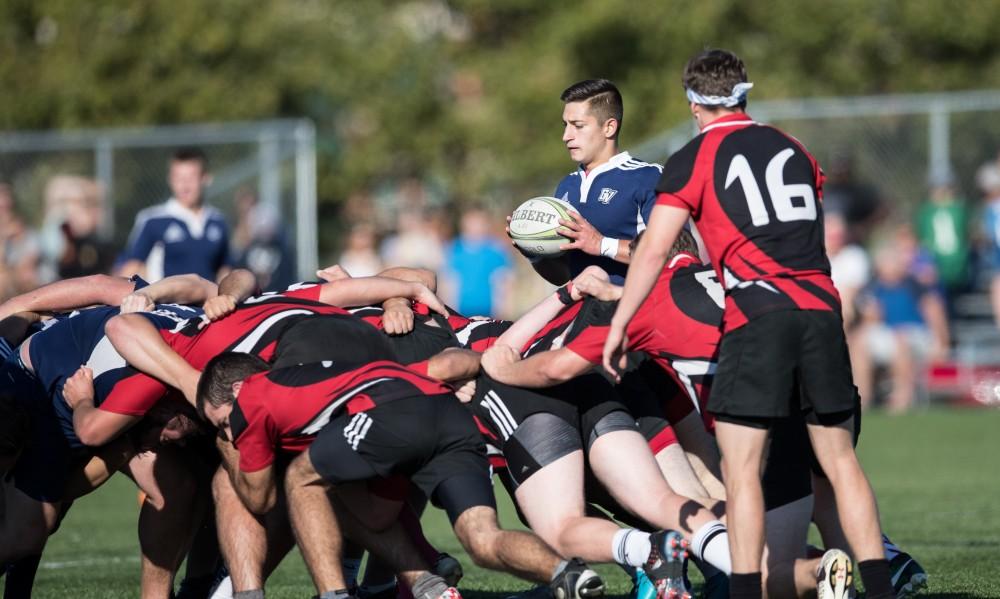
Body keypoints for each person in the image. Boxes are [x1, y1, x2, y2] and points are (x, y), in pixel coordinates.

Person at [602, 49, 895, 599]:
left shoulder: (693, 157)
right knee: (839, 462)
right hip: (821, 311)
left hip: (758, 315)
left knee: (741, 471)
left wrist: (620, 323)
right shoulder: (796, 149)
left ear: (693, 104)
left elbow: (653, 250)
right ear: (744, 94)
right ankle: (880, 588)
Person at [197, 352, 606, 599]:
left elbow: (259, 499)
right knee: (482, 539)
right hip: (447, 416)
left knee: (301, 479)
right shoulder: (325, 377)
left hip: (389, 414)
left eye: (221, 423)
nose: (228, 432)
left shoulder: (251, 396)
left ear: (235, 390)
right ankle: (566, 573)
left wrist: (223, 445)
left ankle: (335, 594)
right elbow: (375, 518)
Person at [520, 79, 661, 286]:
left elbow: (672, 255)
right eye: (565, 125)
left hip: (635, 312)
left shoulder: (647, 177)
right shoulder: (567, 186)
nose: (566, 136)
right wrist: (533, 250)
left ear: (609, 127)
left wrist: (601, 244)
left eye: (578, 126)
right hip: (584, 314)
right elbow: (563, 277)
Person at [118, 147, 231, 282]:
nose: (184, 185)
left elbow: (225, 270)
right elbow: (131, 268)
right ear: (170, 179)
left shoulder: (218, 220)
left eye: (191, 178)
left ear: (205, 178)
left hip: (208, 301)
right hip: (167, 302)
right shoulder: (153, 220)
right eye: (178, 178)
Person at [442, 208, 512, 317]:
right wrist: (449, 309)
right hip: (460, 310)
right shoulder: (455, 249)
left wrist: (502, 309)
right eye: (472, 222)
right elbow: (449, 280)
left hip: (489, 311)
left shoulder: (496, 250)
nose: (475, 227)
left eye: (479, 223)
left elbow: (503, 281)